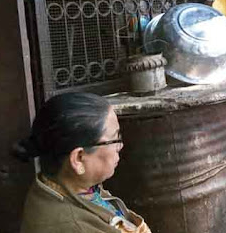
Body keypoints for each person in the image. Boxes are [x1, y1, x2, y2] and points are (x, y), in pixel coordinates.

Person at [14, 92, 151, 233]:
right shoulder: (74, 227)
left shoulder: (63, 186)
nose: (120, 146)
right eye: (114, 139)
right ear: (78, 158)